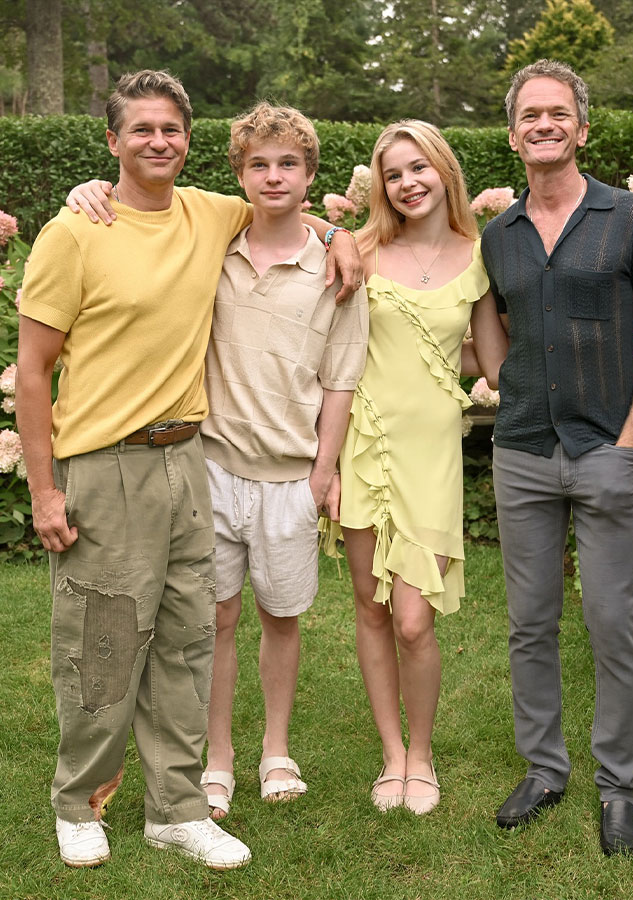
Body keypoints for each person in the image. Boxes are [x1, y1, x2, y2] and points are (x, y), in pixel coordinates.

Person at [16, 70, 360, 871]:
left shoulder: (212, 212)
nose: (159, 141)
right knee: (102, 638)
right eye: (141, 129)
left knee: (185, 642)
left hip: (190, 463)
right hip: (105, 464)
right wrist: (44, 490)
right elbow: (34, 371)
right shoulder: (75, 232)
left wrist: (342, 235)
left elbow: (287, 209)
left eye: (171, 128)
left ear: (188, 140)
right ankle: (79, 801)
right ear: (112, 142)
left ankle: (175, 808)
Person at [481, 59, 633, 855]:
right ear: (513, 133)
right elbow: (485, 319)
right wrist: (509, 384)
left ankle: (620, 789)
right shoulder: (499, 234)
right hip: (523, 451)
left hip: (607, 451)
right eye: (530, 115)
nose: (544, 124)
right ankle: (543, 770)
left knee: (612, 623)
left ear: (582, 128)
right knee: (529, 626)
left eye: (558, 113)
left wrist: (630, 444)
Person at [326, 119, 507, 815]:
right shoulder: (359, 249)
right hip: (363, 446)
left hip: (432, 453)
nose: (407, 183)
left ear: (444, 171)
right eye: (393, 173)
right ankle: (391, 757)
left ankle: (423, 754)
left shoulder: (479, 255)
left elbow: (491, 364)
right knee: (371, 609)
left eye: (418, 168)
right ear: (382, 185)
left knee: (412, 620)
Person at [199, 102, 367, 819]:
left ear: (310, 175)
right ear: (238, 173)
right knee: (216, 618)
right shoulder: (212, 247)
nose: (273, 176)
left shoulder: (334, 266)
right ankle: (217, 757)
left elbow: (340, 378)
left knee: (280, 616)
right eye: (259, 164)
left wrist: (322, 474)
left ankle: (275, 747)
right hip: (209, 463)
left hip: (290, 476)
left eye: (288, 164)